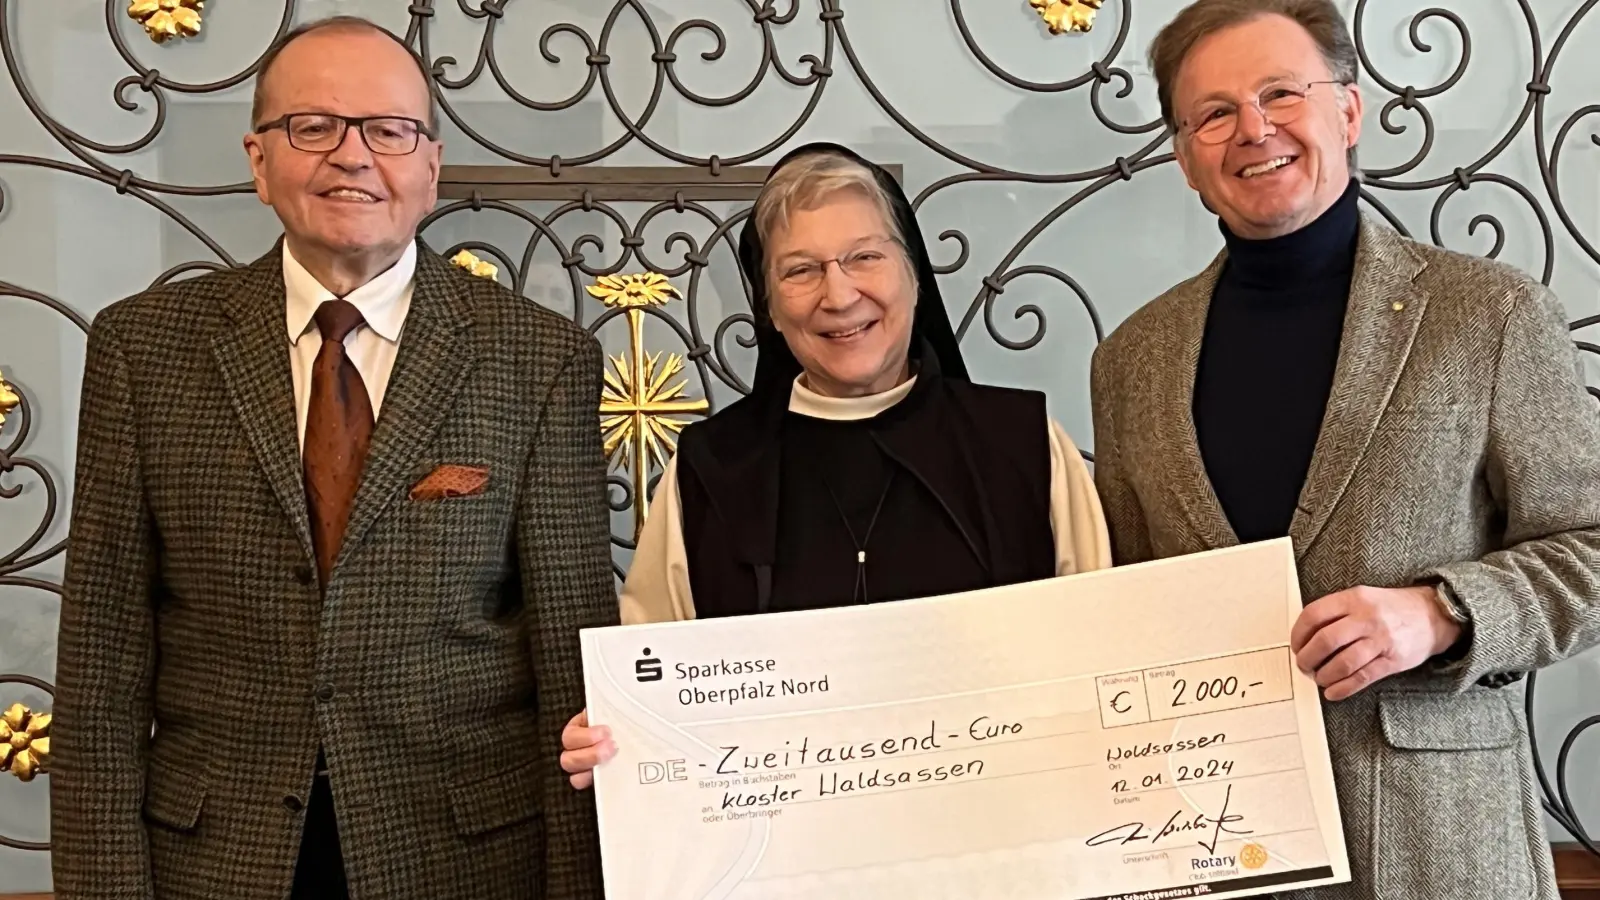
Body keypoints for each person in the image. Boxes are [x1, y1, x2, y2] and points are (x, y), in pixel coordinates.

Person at [49, 16, 615, 900]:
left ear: (429, 166)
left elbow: (573, 665)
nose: (352, 156)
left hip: (466, 857)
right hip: (213, 857)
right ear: (258, 159)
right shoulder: (144, 349)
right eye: (313, 126)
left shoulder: (540, 359)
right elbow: (101, 669)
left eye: (388, 131)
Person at [1091, 1, 1600, 897]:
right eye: (1213, 113)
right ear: (1184, 157)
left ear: (1350, 112)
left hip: (1439, 844)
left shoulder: (1493, 314)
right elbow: (1138, 607)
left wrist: (1443, 613)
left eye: (1281, 93)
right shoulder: (1130, 360)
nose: (1253, 129)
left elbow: (1592, 552)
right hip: (1212, 842)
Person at [560, 142, 1113, 785]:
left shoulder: (1021, 443)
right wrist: (612, 738)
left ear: (913, 276)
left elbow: (1099, 662)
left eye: (865, 257)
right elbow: (648, 684)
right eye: (800, 270)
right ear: (768, 306)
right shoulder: (713, 469)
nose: (839, 293)